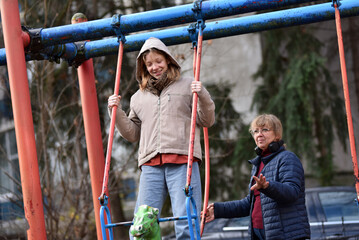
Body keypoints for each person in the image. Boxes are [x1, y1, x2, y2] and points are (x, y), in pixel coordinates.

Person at [108, 37, 215, 239]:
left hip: (182, 160)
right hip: (150, 165)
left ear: (168, 60)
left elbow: (206, 120)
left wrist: (202, 95)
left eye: (158, 61)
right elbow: (132, 133)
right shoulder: (138, 97)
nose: (154, 67)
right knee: (142, 224)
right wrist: (116, 112)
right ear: (143, 67)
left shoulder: (186, 85)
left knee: (185, 222)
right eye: (149, 64)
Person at [204, 114, 310, 240]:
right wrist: (218, 210)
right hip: (258, 234)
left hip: (285, 235)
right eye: (256, 131)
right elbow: (249, 204)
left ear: (277, 135)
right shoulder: (258, 164)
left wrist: (267, 186)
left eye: (265, 130)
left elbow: (291, 192)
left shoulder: (288, 158)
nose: (259, 134)